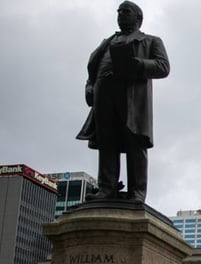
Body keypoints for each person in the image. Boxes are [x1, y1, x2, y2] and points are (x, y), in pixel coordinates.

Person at [76, 1, 169, 202]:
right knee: (106, 142)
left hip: (132, 98)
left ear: (138, 18)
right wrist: (90, 87)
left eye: (125, 11)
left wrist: (138, 64)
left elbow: (163, 67)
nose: (120, 14)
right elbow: (93, 71)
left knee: (135, 142)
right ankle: (107, 188)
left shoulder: (151, 41)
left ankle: (137, 192)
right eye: (118, 11)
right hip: (104, 95)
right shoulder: (107, 42)